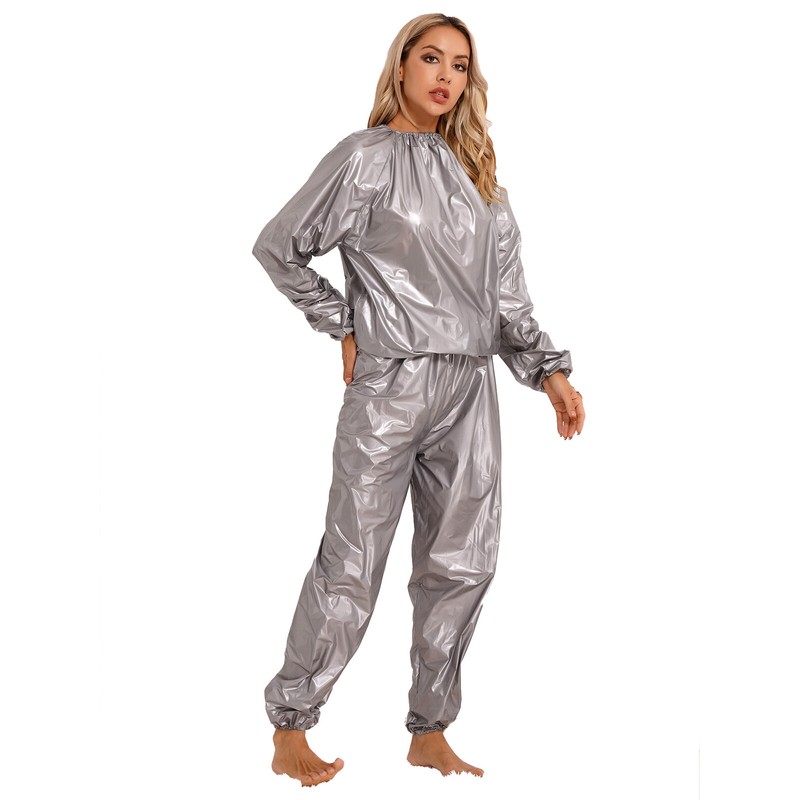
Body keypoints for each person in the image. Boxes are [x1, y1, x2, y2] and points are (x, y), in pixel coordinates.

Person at [251, 12, 585, 787]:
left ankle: (430, 729)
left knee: (462, 562)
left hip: (469, 389)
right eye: (431, 58)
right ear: (400, 66)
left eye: (460, 66)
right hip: (390, 386)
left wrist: (550, 373)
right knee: (353, 558)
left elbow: (506, 302)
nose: (445, 76)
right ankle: (291, 723)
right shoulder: (363, 160)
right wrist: (344, 323)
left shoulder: (480, 179)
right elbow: (279, 246)